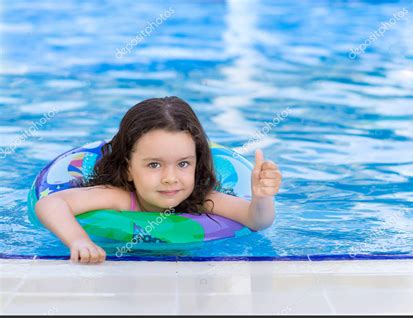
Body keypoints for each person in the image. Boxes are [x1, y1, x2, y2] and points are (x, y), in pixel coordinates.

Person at [35, 97, 282, 264]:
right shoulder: (119, 196)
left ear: (197, 164)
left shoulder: (203, 198)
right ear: (128, 168)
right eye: (154, 165)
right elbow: (50, 204)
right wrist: (78, 240)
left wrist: (261, 197)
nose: (170, 178)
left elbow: (257, 220)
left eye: (183, 163)